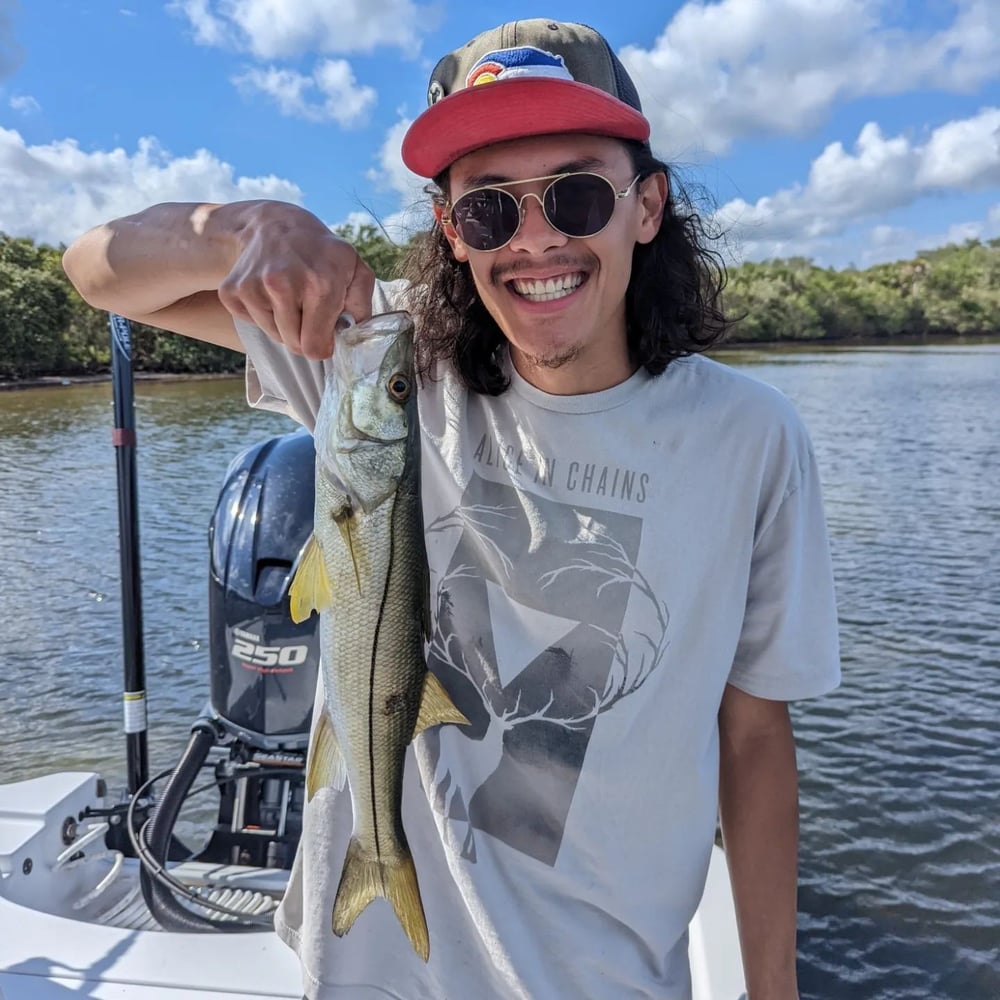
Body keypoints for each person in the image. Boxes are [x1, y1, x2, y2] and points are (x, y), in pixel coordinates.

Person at [63, 18, 840, 1000]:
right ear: (448, 230)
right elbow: (96, 273)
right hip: (357, 975)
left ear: (646, 207)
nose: (536, 240)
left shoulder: (751, 438)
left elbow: (755, 737)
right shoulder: (377, 363)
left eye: (576, 193)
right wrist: (233, 229)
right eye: (488, 211)